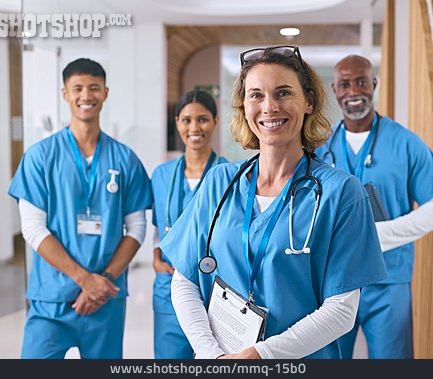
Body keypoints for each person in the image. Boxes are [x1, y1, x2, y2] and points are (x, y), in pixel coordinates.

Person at [159, 46, 387, 359]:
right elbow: (183, 281)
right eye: (256, 95)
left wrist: (260, 355)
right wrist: (213, 355)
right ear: (243, 105)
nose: (269, 107)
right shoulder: (220, 182)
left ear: (308, 101)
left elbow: (341, 311)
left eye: (283, 93)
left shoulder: (341, 193)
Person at [8, 58, 152, 359]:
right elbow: (33, 227)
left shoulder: (125, 159)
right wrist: (85, 280)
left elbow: (137, 228)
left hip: (105, 299)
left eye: (94, 88)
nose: (86, 96)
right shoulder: (40, 157)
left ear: (106, 92)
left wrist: (104, 282)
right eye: (77, 89)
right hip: (52, 299)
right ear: (65, 94)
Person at [316, 55, 433, 359]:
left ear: (374, 83)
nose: (354, 91)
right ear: (335, 90)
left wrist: (380, 235)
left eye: (361, 81)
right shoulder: (320, 149)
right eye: (345, 84)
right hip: (333, 282)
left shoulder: (406, 144)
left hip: (388, 281)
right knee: (327, 359)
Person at [151, 90, 228, 358]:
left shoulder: (231, 174)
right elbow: (158, 226)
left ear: (216, 121)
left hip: (214, 290)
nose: (194, 128)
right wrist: (155, 255)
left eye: (202, 119)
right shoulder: (161, 175)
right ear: (177, 123)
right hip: (169, 286)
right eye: (186, 120)